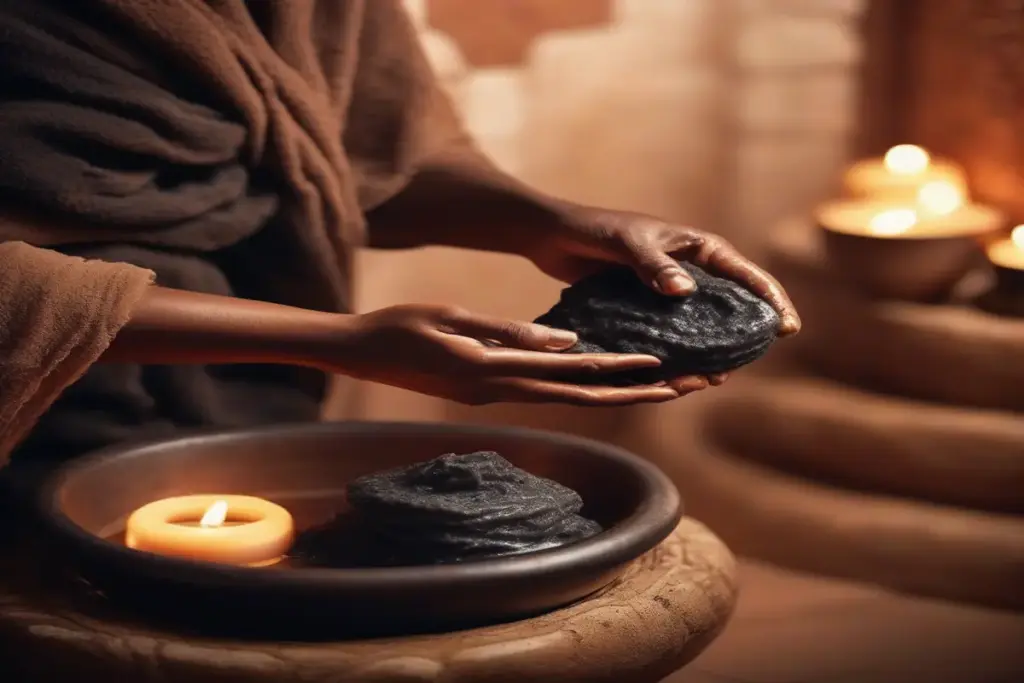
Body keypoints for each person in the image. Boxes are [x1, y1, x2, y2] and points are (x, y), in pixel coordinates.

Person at [0, 0, 799, 469]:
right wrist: (342, 341)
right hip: (33, 405)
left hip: (259, 392)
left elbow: (368, 153)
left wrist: (545, 220)